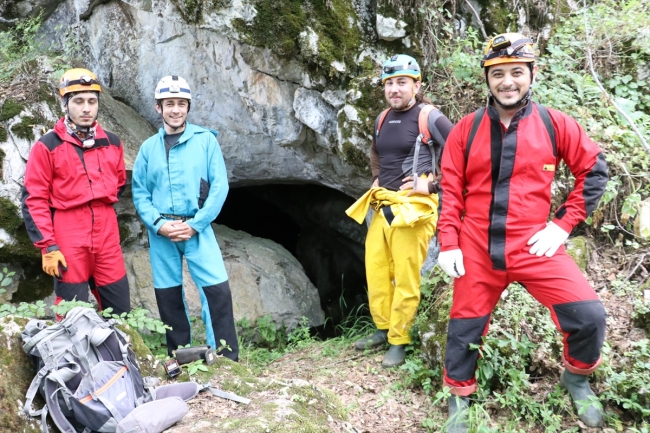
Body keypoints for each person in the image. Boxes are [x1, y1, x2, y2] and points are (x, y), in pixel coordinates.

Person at [437, 33, 609, 431]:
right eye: (498, 73)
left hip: (534, 245)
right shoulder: (465, 130)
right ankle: (459, 397)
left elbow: (594, 170)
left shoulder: (555, 124)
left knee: (589, 316)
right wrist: (448, 242)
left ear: (532, 74)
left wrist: (562, 225)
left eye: (517, 72)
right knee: (464, 328)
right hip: (476, 246)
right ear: (487, 78)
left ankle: (577, 378)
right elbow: (450, 190)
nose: (507, 82)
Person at [346, 54, 454, 368]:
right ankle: (383, 329)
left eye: (402, 82)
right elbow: (376, 152)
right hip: (383, 204)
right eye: (389, 83)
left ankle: (399, 339)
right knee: (377, 270)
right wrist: (376, 177)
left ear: (416, 85)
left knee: (406, 277)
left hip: (414, 209)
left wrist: (432, 186)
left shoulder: (430, 117)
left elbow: (466, 155)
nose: (394, 89)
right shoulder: (382, 119)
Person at [132, 75, 238, 361]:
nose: (175, 110)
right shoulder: (148, 149)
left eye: (181, 103)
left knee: (216, 291)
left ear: (188, 107)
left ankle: (226, 359)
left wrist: (195, 224)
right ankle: (179, 357)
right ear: (158, 107)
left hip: (197, 227)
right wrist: (159, 225)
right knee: (168, 296)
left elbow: (219, 187)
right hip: (162, 232)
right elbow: (140, 193)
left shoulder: (206, 141)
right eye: (169, 104)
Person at [21, 68, 131, 316]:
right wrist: (48, 246)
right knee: (73, 314)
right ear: (65, 104)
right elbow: (34, 199)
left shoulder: (112, 142)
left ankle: (119, 342)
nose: (86, 108)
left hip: (106, 232)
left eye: (92, 101)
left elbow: (119, 183)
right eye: (78, 101)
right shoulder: (48, 146)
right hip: (69, 232)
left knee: (120, 310)